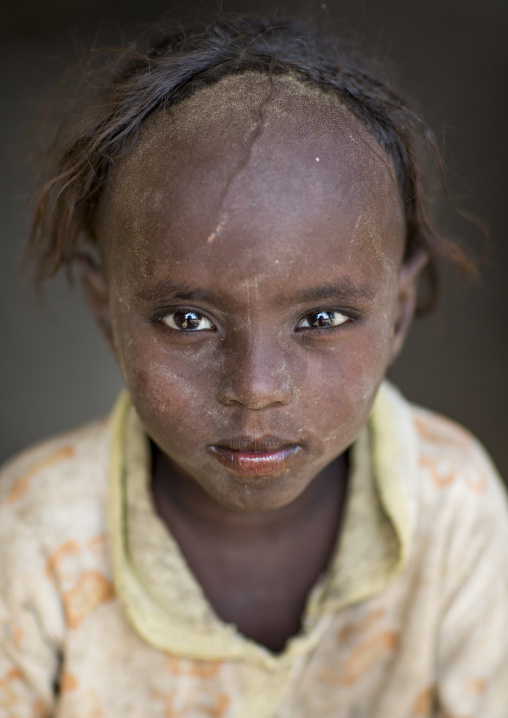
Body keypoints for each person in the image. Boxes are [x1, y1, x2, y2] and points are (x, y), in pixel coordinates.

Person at [1, 14, 506, 718]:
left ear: (397, 311)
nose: (256, 389)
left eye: (322, 319)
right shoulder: (30, 537)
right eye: (188, 320)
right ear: (103, 309)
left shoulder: (454, 510)